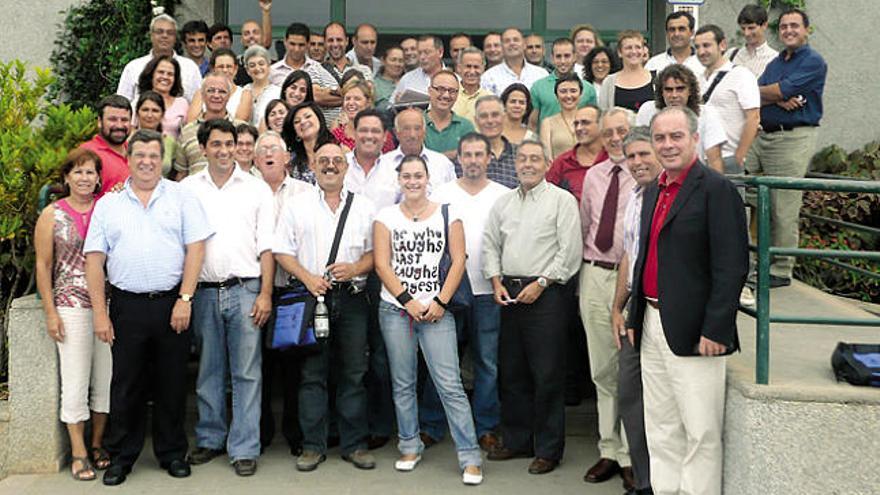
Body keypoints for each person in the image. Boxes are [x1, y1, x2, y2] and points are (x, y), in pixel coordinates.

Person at [626, 106, 748, 495]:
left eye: (676, 136)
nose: (667, 145)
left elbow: (732, 266)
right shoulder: (652, 190)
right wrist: (634, 317)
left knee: (700, 431)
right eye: (660, 138)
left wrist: (717, 327)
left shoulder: (718, 190)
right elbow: (643, 258)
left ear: (695, 139)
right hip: (651, 322)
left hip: (696, 330)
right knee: (660, 425)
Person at [84, 129, 212, 486]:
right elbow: (94, 261)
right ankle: (122, 456)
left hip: (172, 303)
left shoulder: (181, 197)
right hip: (127, 306)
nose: (146, 162)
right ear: (129, 158)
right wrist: (99, 312)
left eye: (154, 156)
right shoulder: (108, 205)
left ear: (163, 160)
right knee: (126, 384)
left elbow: (196, 249)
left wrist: (185, 299)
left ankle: (172, 453)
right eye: (140, 155)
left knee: (171, 382)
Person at [373, 154, 483, 486]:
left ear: (427, 178)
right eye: (406, 176)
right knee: (403, 383)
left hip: (437, 311)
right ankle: (409, 444)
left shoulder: (449, 213)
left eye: (417, 175)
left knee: (449, 385)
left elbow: (459, 260)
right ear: (399, 180)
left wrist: (439, 301)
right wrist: (407, 301)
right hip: (395, 309)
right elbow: (382, 264)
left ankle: (470, 455)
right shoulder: (386, 216)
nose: (412, 181)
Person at [273, 142, 377, 472]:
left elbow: (377, 255)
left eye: (336, 161)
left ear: (346, 168)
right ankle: (313, 446)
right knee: (311, 376)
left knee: (353, 374)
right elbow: (281, 251)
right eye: (323, 161)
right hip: (311, 298)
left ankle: (354, 444)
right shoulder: (296, 205)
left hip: (352, 298)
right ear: (314, 167)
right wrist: (306, 277)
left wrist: (356, 268)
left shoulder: (365, 207)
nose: (330, 166)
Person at [181, 119, 273, 477]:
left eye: (228, 144)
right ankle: (210, 437)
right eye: (215, 144)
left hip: (246, 288)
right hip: (204, 291)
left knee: (247, 372)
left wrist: (266, 293)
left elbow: (267, 244)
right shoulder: (188, 189)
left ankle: (245, 447)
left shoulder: (256, 189)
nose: (222, 151)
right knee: (209, 369)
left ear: (237, 147)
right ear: (203, 149)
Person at [483, 140, 581, 475]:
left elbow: (569, 253)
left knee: (548, 375)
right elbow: (491, 244)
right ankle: (517, 440)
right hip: (509, 294)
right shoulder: (504, 203)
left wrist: (541, 283)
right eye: (522, 158)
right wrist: (495, 281)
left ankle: (549, 449)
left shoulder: (561, 201)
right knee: (512, 373)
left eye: (534, 159)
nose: (527, 164)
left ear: (546, 163)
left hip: (546, 294)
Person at [424, 132, 510, 452]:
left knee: (487, 361)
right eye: (467, 154)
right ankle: (432, 424)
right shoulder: (442, 194)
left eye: (479, 154)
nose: (473, 160)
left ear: (489, 158)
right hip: (449, 291)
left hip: (489, 289)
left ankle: (486, 426)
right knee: (443, 361)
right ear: (458, 158)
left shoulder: (503, 195)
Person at [34, 148, 112, 481]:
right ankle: (78, 451)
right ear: (66, 177)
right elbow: (44, 265)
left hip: (107, 307)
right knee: (76, 381)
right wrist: (50, 312)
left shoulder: (106, 211)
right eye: (78, 172)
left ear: (98, 179)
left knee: (104, 381)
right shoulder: (52, 214)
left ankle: (97, 444)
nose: (84, 178)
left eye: (90, 172)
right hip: (70, 306)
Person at [578, 107, 637, 491]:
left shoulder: (647, 176)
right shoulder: (594, 176)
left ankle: (633, 455)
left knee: (630, 371)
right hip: (595, 275)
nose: (615, 138)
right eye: (610, 132)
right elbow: (585, 225)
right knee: (602, 369)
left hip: (631, 280)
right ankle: (609, 450)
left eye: (622, 131)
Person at [747, 8, 827, 287]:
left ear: (806, 30)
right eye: (783, 27)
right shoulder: (778, 61)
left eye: (795, 26)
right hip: (762, 136)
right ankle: (755, 260)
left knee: (783, 206)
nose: (789, 31)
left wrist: (777, 93)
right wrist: (779, 97)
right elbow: (755, 90)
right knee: (746, 191)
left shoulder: (814, 62)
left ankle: (781, 270)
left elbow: (776, 90)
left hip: (792, 138)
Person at [253, 131, 313, 457]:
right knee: (259, 365)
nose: (268, 154)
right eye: (262, 150)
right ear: (255, 159)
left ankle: (295, 431)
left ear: (287, 156)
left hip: (293, 290)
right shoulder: (246, 191)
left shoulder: (305, 192)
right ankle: (260, 433)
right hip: (257, 290)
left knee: (295, 367)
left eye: (274, 149)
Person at [611, 126, 662, 495]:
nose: (638, 161)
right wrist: (618, 307)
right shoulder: (635, 195)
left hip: (665, 313)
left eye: (645, 153)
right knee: (630, 397)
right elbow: (629, 255)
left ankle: (662, 483)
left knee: (662, 405)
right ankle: (644, 483)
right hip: (635, 313)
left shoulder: (671, 196)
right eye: (632, 156)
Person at [343, 109, 397, 451]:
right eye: (363, 130)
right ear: (354, 131)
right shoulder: (336, 164)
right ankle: (343, 425)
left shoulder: (395, 170)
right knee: (345, 356)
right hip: (344, 271)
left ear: (384, 136)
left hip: (383, 272)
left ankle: (379, 425)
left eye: (376, 131)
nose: (369, 136)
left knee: (380, 354)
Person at [635, 64, 727, 173]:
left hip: (694, 179)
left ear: (690, 91)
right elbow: (639, 149)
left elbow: (715, 158)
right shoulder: (647, 110)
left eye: (680, 89)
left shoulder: (707, 114)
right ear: (661, 92)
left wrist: (715, 188)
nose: (674, 95)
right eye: (669, 90)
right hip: (657, 181)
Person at [694, 25, 760, 175]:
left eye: (706, 45)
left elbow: (753, 117)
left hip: (728, 158)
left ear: (722, 45)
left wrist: (739, 156)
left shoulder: (741, 75)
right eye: (697, 47)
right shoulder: (697, 79)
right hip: (700, 159)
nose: (701, 52)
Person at [370, 108, 457, 211]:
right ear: (396, 133)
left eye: (417, 128)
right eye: (406, 129)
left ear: (424, 132)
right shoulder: (382, 165)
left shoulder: (442, 164)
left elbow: (454, 204)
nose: (412, 135)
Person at [175, 72, 248, 178]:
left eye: (222, 92)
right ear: (203, 95)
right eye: (211, 91)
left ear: (229, 96)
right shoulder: (187, 132)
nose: (216, 95)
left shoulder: (243, 129)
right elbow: (181, 174)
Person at [117, 14, 202, 103]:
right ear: (151, 35)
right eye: (159, 32)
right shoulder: (133, 67)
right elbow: (122, 103)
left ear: (175, 37)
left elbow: (199, 103)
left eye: (170, 33)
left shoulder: (190, 67)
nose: (165, 36)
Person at [308, 22, 374, 123]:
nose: (335, 44)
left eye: (339, 40)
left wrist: (329, 92)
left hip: (357, 133)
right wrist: (355, 96)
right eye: (330, 40)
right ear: (325, 42)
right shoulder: (314, 69)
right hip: (327, 135)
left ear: (347, 41)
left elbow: (369, 96)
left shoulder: (364, 70)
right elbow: (316, 97)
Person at [530, 38, 597, 130]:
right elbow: (533, 123)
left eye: (567, 56)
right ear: (552, 58)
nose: (562, 61)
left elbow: (594, 122)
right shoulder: (538, 87)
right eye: (558, 56)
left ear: (575, 57)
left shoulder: (588, 88)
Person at [546, 104, 603, 202]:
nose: (579, 128)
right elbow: (547, 198)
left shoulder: (612, 158)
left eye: (585, 123)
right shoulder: (562, 163)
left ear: (601, 125)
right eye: (576, 124)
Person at [81, 95, 131, 196]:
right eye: (113, 119)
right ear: (99, 122)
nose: (119, 125)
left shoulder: (136, 151)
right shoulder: (87, 154)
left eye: (124, 120)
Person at [186, 48, 251, 125]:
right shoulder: (201, 93)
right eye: (221, 66)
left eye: (229, 66)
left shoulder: (244, 94)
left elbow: (239, 123)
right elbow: (191, 121)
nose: (225, 70)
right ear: (213, 69)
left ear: (235, 69)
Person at [481, 27, 548, 96]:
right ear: (501, 46)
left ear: (524, 45)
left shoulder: (541, 74)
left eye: (516, 40)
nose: (512, 43)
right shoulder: (488, 77)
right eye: (507, 41)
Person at [331, 79, 394, 153]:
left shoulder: (380, 133)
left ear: (368, 103)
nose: (351, 103)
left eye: (357, 99)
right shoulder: (336, 135)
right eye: (347, 99)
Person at [598, 31, 654, 112]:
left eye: (638, 47)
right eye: (628, 48)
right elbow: (603, 115)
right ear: (620, 52)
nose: (634, 52)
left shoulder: (656, 79)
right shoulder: (609, 82)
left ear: (644, 51)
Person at [281, 101, 336, 184]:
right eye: (297, 121)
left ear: (320, 120)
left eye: (308, 116)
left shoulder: (338, 150)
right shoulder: (291, 161)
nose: (302, 122)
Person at [424, 69, 475, 159]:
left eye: (452, 91)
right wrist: (451, 155)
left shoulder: (466, 127)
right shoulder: (417, 123)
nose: (446, 95)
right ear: (429, 91)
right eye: (440, 89)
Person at [472, 95, 519, 189]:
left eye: (495, 115)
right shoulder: (466, 157)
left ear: (504, 117)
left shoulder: (521, 154)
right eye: (484, 116)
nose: (490, 121)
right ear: (476, 121)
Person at [136, 55, 189, 139]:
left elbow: (187, 133)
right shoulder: (138, 101)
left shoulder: (182, 103)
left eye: (170, 74)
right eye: (161, 72)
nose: (165, 77)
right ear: (151, 74)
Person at [540, 73, 584, 161]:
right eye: (563, 91)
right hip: (559, 172)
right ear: (556, 95)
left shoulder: (592, 121)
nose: (568, 96)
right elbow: (547, 159)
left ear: (581, 94)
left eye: (573, 91)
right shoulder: (548, 123)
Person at [644, 11, 703, 76]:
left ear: (692, 32)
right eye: (672, 29)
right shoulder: (654, 64)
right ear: (667, 33)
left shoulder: (704, 63)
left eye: (681, 29)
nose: (676, 34)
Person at [391, 34, 445, 104]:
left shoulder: (455, 80)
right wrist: (397, 102)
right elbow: (390, 107)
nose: (422, 57)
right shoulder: (407, 79)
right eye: (419, 53)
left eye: (426, 52)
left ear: (440, 52)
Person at [134, 91, 176, 176]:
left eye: (155, 111)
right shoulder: (128, 141)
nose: (149, 115)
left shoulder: (169, 142)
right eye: (145, 110)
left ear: (162, 114)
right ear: (137, 113)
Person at [730, 4, 778, 78]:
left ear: (764, 25)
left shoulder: (774, 59)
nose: (746, 33)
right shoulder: (731, 54)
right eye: (743, 28)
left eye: (751, 28)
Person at [452, 47, 493, 126]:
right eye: (468, 66)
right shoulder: (448, 95)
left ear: (483, 68)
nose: (472, 71)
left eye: (476, 67)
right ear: (459, 68)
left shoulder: (490, 98)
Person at [243, 45, 282, 127]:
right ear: (247, 70)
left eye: (261, 64)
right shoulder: (243, 91)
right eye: (252, 65)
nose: (257, 68)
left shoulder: (278, 92)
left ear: (268, 66)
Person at [374, 46, 405, 112]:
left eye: (401, 61)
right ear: (383, 61)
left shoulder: (409, 81)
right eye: (393, 60)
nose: (397, 64)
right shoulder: (374, 84)